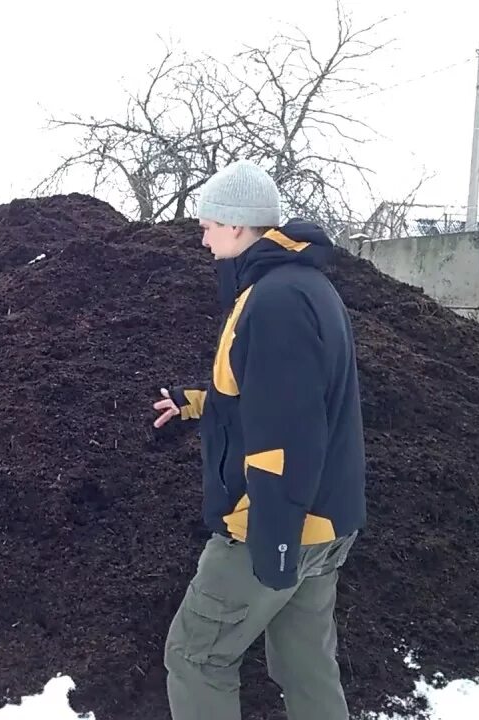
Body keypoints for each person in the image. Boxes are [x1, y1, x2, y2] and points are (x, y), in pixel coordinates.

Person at [153, 160, 367, 720]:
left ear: (239, 225)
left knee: (196, 656)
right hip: (325, 519)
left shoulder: (274, 302)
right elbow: (270, 392)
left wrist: (271, 536)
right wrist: (194, 401)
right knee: (305, 666)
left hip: (275, 521)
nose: (200, 237)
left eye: (208, 225)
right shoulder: (304, 285)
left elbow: (289, 430)